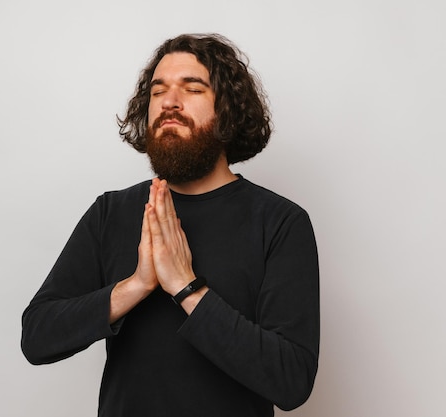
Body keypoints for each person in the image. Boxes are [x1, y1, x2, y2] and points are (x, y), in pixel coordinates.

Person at [21, 33, 319, 417]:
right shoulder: (111, 212)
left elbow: (291, 381)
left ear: (228, 109)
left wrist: (186, 287)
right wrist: (136, 286)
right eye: (158, 91)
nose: (169, 102)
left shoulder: (280, 222)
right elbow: (37, 336)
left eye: (192, 88)